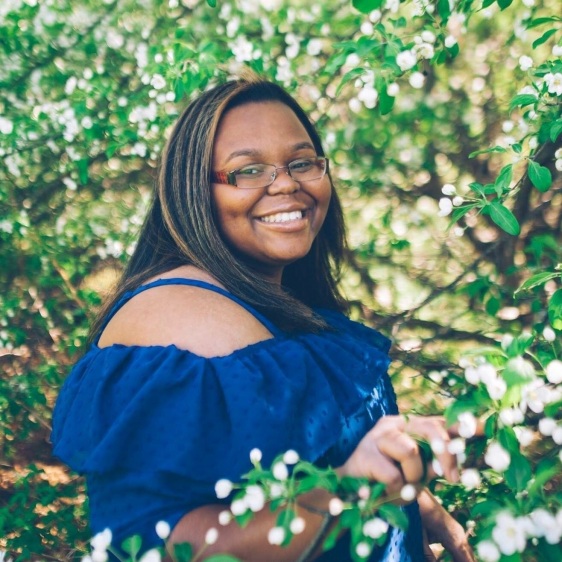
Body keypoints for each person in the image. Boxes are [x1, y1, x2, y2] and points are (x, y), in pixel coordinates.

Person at [52, 76, 475, 561]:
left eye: (302, 163)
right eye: (248, 170)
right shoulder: (177, 319)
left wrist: (408, 501)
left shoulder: (271, 298)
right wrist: (351, 490)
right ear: (194, 191)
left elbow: (321, 458)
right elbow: (167, 546)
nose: (287, 183)